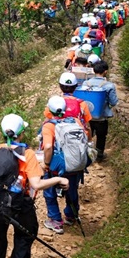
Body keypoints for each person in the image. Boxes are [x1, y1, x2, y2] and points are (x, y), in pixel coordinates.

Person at [0, 115, 68, 258]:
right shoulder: (27, 154)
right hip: (19, 204)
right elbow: (36, 184)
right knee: (26, 233)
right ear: (21, 134)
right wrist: (58, 180)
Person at [39, 97, 86, 234]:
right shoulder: (76, 121)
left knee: (49, 193)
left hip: (57, 167)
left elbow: (48, 147)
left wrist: (46, 164)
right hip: (75, 164)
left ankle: (55, 220)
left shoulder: (49, 126)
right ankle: (71, 216)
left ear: (49, 110)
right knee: (72, 190)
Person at [82, 61, 118, 161]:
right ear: (105, 72)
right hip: (101, 116)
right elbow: (114, 102)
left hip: (87, 116)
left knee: (86, 135)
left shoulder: (86, 83)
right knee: (101, 136)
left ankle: (85, 155)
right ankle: (99, 155)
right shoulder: (109, 85)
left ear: (94, 70)